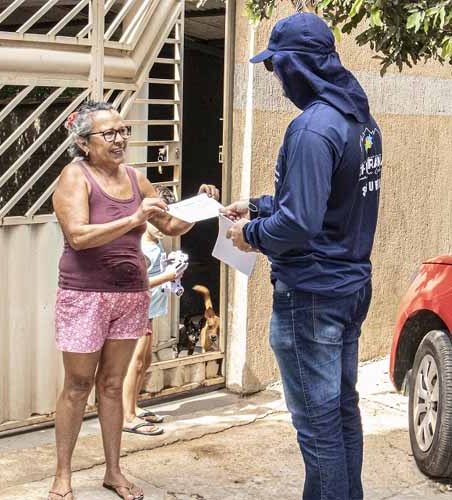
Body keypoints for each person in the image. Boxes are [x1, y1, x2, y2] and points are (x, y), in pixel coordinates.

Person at [222, 12, 382, 500]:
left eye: (276, 67)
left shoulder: (312, 129)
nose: (275, 78)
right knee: (340, 413)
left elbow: (297, 226)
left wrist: (250, 233)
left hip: (311, 296)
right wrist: (258, 205)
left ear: (298, 66)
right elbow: (329, 204)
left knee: (318, 430)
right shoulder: (359, 120)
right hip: (349, 287)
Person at [50, 100, 218, 500]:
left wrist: (203, 204)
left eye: (123, 130)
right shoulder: (74, 177)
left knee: (111, 385)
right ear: (85, 143)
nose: (120, 138)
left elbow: (171, 223)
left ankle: (114, 472)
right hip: (85, 295)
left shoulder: (134, 179)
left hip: (130, 294)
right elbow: (78, 236)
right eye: (109, 133)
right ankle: (62, 476)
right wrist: (132, 219)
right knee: (77, 385)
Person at [120, 222, 186, 436]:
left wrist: (173, 273)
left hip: (149, 309)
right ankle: (126, 416)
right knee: (135, 361)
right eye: (155, 221)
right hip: (137, 310)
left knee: (145, 360)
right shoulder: (138, 247)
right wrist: (168, 276)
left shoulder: (156, 244)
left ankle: (134, 406)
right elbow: (136, 283)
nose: (161, 227)